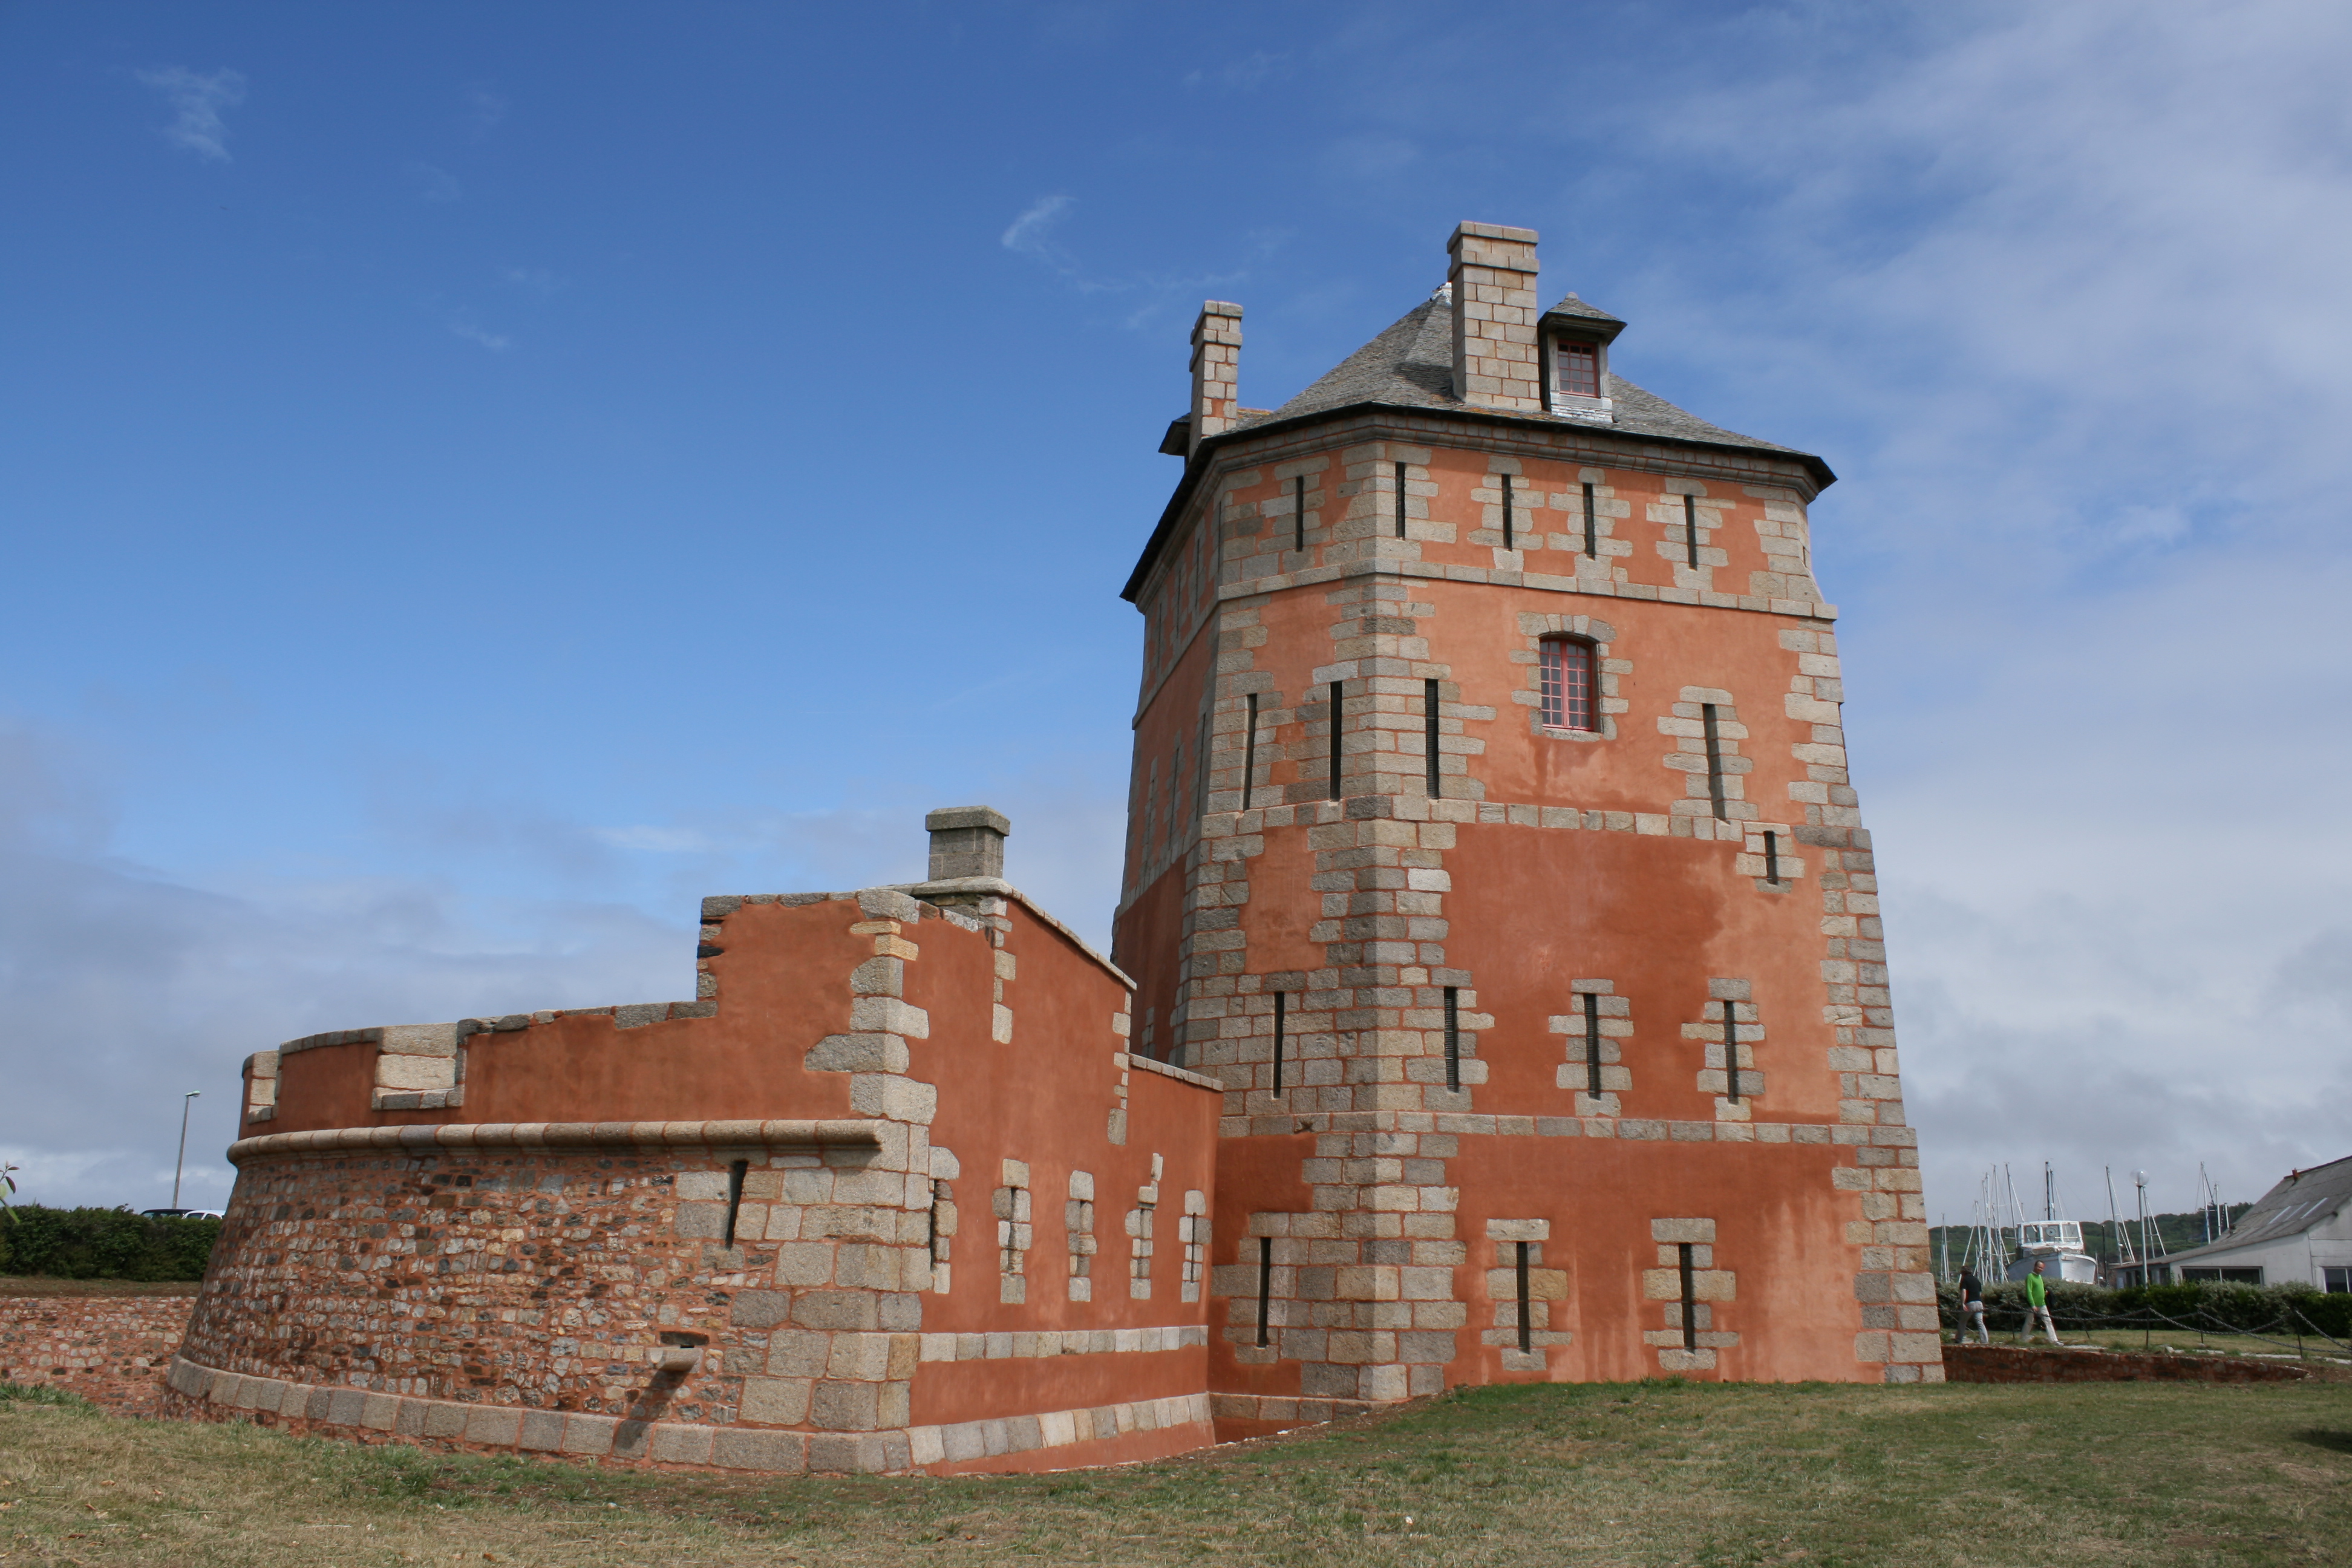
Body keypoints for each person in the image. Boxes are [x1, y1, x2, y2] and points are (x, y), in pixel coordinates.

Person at [2019, 1258, 2061, 1345]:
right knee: (2029, 1322)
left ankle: (2054, 1340)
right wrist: (2032, 1304)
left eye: (2042, 1268)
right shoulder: (2030, 1276)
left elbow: (2040, 1288)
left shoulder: (2040, 1277)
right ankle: (2023, 1338)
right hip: (2033, 1304)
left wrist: (2045, 1292)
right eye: (2039, 1267)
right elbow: (2029, 1291)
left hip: (2042, 1303)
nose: (2040, 1269)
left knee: (2048, 1321)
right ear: (2035, 1266)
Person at [1956, 1266, 1989, 1344]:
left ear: (1963, 1273)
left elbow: (1964, 1292)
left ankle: (1959, 1339)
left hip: (1970, 1303)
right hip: (1979, 1303)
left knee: (1963, 1322)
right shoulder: (1977, 1280)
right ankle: (1985, 1341)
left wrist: (1963, 1303)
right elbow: (1980, 1294)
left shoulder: (1964, 1280)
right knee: (1980, 1323)